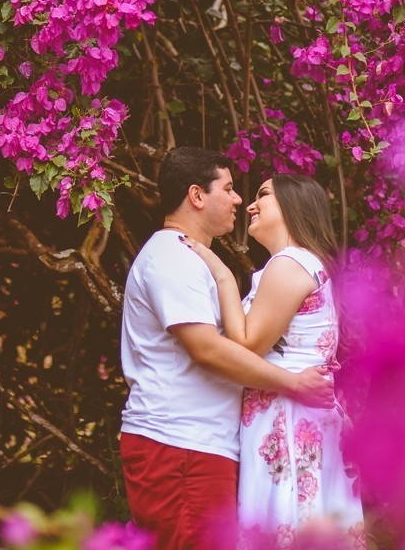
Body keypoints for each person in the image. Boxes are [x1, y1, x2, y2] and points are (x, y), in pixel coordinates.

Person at [119, 149, 337, 550]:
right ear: (197, 196)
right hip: (180, 444)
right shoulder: (173, 257)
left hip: (199, 446)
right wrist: (291, 383)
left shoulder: (195, 260)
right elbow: (208, 350)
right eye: (231, 189)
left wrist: (219, 271)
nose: (240, 200)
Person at [179, 173, 364, 549]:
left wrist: (223, 276)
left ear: (292, 206)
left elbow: (246, 343)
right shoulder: (303, 264)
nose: (249, 204)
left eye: (263, 195)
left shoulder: (290, 262)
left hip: (288, 419)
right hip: (300, 413)